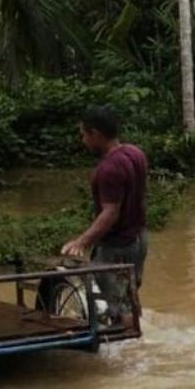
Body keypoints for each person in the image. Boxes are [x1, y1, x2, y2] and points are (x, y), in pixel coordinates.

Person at [60, 106, 149, 327]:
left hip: (117, 245)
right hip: (139, 238)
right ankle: (134, 332)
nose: (83, 140)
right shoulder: (135, 153)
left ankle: (129, 352)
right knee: (129, 296)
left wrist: (82, 241)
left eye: (84, 135)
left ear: (95, 134)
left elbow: (110, 212)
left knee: (119, 304)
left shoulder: (108, 169)